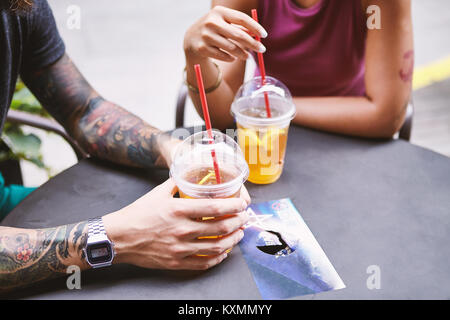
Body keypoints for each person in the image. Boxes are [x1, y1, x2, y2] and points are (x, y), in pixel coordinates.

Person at [0, 0, 250, 292]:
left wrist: (175, 152)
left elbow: (83, 110)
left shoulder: (21, 6)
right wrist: (116, 238)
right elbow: (120, 236)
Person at [183, 0, 414, 138]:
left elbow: (385, 116)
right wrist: (196, 58)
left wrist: (271, 107)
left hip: (349, 133)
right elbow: (223, 117)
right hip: (267, 132)